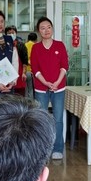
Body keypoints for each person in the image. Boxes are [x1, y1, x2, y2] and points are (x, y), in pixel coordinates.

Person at [32, 16, 69, 160]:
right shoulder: (36, 48)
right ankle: (42, 150)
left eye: (49, 27)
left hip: (59, 88)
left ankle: (57, 148)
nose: (46, 30)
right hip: (41, 87)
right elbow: (35, 69)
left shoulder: (60, 45)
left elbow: (64, 66)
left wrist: (57, 82)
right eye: (43, 28)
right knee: (41, 118)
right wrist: (46, 83)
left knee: (58, 118)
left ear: (52, 29)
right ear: (39, 31)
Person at [6, 25, 29, 95]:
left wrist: (24, 73)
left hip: (19, 71)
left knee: (19, 93)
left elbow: (25, 60)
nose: (11, 34)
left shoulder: (21, 44)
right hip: (7, 72)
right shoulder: (4, 44)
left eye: (13, 32)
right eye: (9, 33)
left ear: (16, 33)